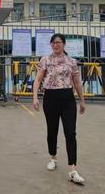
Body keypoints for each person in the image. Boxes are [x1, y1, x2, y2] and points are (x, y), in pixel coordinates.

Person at [33, 33, 86, 184]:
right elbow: (38, 79)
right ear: (51, 45)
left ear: (64, 44)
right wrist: (35, 97)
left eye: (58, 42)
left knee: (70, 133)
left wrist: (82, 101)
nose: (56, 45)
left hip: (67, 99)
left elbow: (77, 82)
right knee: (52, 130)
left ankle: (72, 169)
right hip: (50, 98)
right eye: (53, 43)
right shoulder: (45, 60)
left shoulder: (71, 62)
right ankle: (53, 157)